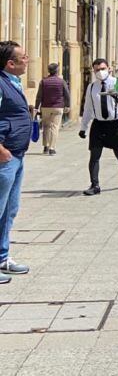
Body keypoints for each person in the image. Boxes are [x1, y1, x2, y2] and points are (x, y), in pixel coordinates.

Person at [0, 42, 31, 283]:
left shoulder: (13, 81)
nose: (27, 59)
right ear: (11, 63)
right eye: (23, 57)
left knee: (9, 210)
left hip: (16, 154)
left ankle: (2, 257)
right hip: (5, 155)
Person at [79, 59, 118, 195]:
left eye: (102, 68)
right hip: (99, 125)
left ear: (109, 68)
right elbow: (87, 109)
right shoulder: (92, 87)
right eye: (97, 70)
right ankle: (94, 185)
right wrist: (83, 127)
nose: (100, 72)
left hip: (116, 124)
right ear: (94, 71)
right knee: (94, 156)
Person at [34, 63, 69, 156]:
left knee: (46, 126)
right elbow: (67, 94)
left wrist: (36, 107)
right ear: (57, 71)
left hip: (45, 107)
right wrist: (67, 105)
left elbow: (39, 96)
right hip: (58, 107)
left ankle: (45, 146)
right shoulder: (62, 82)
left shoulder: (43, 81)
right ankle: (52, 148)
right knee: (55, 127)